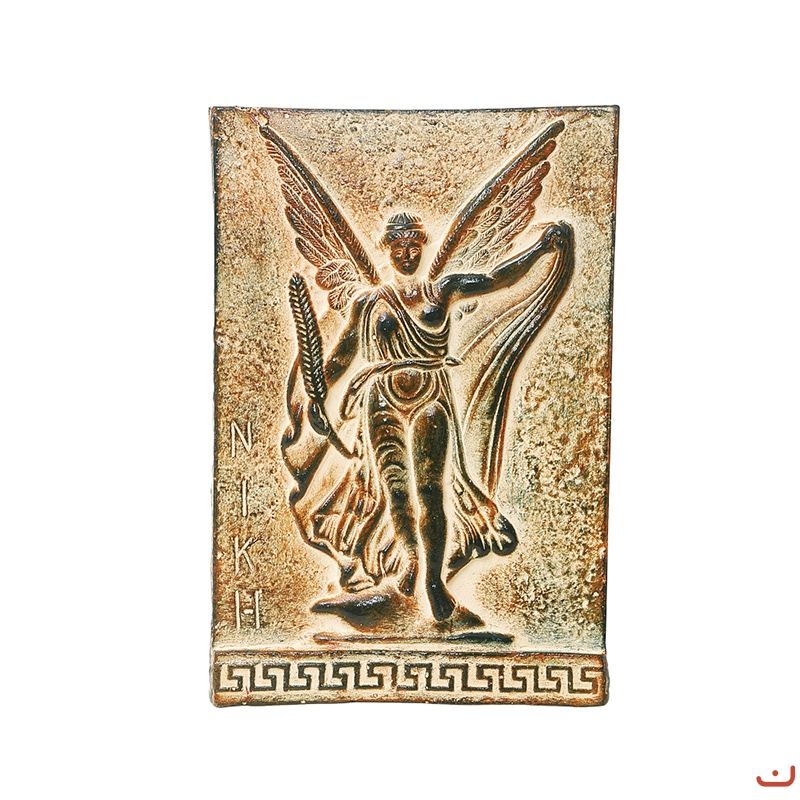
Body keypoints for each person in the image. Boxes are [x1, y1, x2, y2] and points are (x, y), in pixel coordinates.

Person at [318, 212, 574, 622]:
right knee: (397, 493)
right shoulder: (369, 302)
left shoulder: (443, 290)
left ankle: (434, 581)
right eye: (398, 247)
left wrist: (540, 248)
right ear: (387, 249)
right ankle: (411, 560)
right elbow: (342, 355)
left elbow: (496, 279)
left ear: (422, 248)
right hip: (382, 398)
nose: (406, 254)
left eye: (413, 246)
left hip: (429, 396)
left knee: (430, 491)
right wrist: (315, 393)